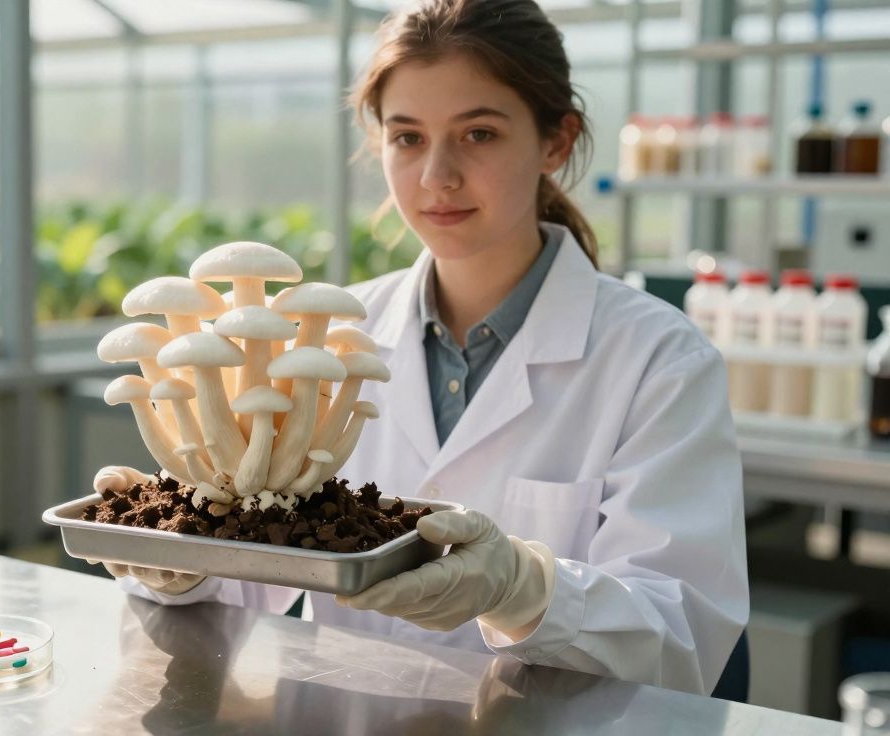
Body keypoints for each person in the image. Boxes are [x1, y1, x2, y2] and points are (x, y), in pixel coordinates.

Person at [94, 0, 747, 696]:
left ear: (557, 143)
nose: (437, 175)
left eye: (480, 134)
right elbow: (254, 568)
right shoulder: (325, 334)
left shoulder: (658, 361)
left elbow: (682, 643)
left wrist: (525, 589)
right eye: (407, 138)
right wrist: (185, 564)